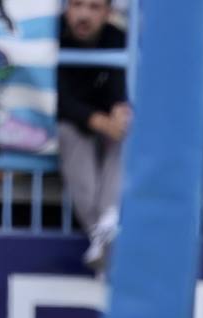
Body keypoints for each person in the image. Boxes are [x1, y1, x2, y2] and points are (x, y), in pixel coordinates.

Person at [57, 0, 128, 272]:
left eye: (94, 7)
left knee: (129, 131)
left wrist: (120, 112)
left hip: (105, 126)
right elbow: (57, 100)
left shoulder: (117, 38)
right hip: (73, 125)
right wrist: (96, 120)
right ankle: (104, 231)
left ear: (108, 13)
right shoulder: (52, 37)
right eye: (77, 5)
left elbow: (119, 92)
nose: (83, 15)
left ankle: (104, 227)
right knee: (69, 132)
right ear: (66, 9)